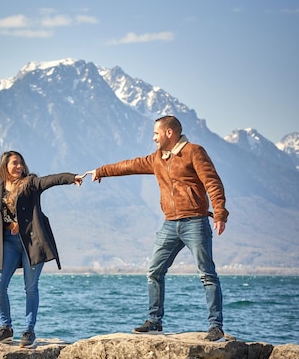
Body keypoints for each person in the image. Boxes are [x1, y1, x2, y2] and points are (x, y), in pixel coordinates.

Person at [85, 115, 229, 341]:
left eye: (156, 133)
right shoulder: (157, 159)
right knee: (154, 271)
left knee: (207, 274)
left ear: (169, 133)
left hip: (195, 222)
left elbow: (213, 182)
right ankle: (154, 322)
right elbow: (129, 165)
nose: (153, 138)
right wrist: (101, 171)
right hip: (170, 224)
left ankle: (215, 326)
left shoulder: (194, 152)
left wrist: (220, 213)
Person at [0, 150, 83, 348]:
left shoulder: (31, 183)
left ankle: (29, 331)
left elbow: (51, 180)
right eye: (14, 163)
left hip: (32, 242)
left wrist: (71, 178)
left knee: (30, 288)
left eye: (21, 163)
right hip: (7, 241)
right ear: (5, 166)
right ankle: (6, 328)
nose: (19, 167)